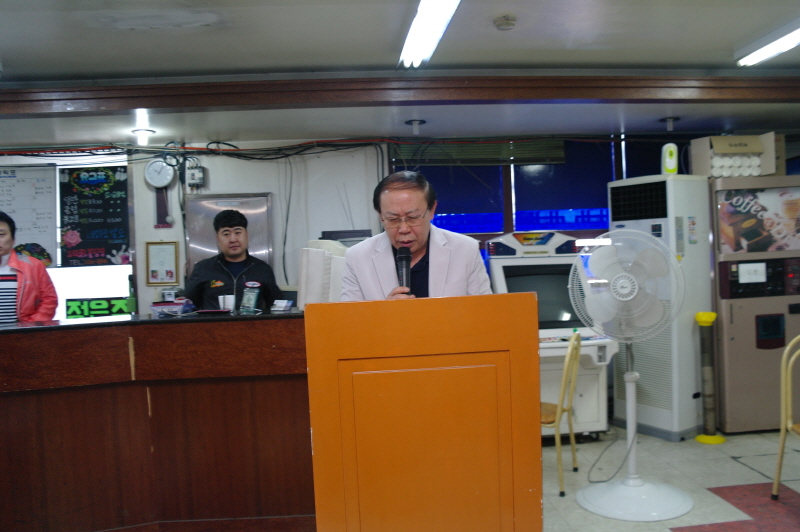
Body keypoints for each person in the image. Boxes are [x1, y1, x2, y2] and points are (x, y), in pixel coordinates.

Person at [341, 171, 492, 301]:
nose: (404, 229)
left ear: (432, 210)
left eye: (413, 217)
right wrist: (384, 314)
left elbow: (484, 312)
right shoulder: (357, 258)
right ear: (380, 215)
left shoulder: (465, 250)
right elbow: (349, 320)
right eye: (393, 219)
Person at [184, 209, 282, 312]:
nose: (233, 239)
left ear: (246, 234)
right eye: (226, 234)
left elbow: (277, 306)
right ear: (217, 239)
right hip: (214, 323)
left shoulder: (262, 269)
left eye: (238, 232)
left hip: (250, 322)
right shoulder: (203, 268)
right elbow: (187, 307)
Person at [0, 211, 58, 322]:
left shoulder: (33, 265)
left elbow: (49, 300)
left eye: (1, 234)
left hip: (23, 332)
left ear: (13, 239)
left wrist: (29, 327)